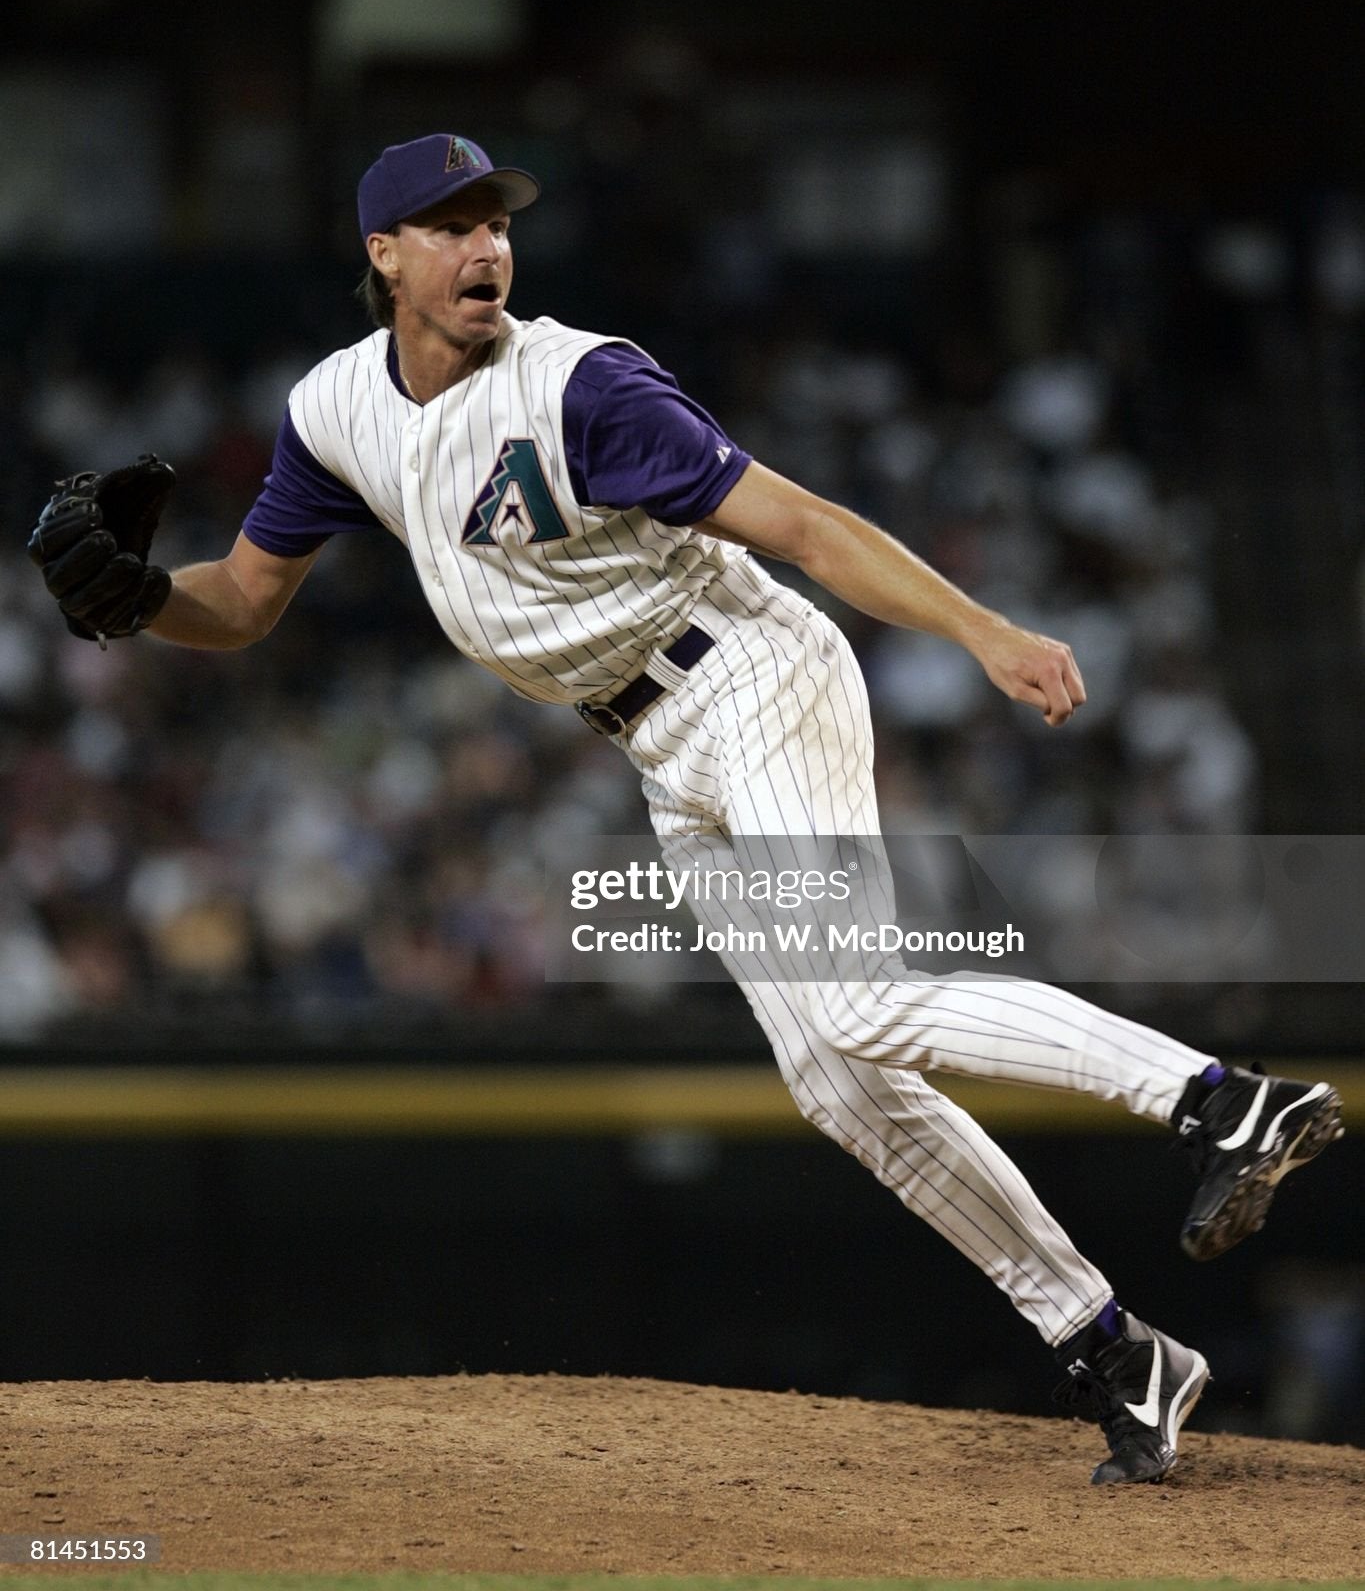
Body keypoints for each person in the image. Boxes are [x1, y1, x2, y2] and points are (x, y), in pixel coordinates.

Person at [36, 133, 1343, 1483]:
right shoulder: (333, 411)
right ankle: (1114, 1350)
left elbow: (804, 527)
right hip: (653, 742)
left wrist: (979, 630)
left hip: (750, 676)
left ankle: (1216, 1098)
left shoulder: (585, 386)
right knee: (835, 1082)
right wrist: (141, 602)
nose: (485, 244)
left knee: (853, 999)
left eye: (494, 220)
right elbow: (244, 601)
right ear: (383, 255)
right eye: (449, 225)